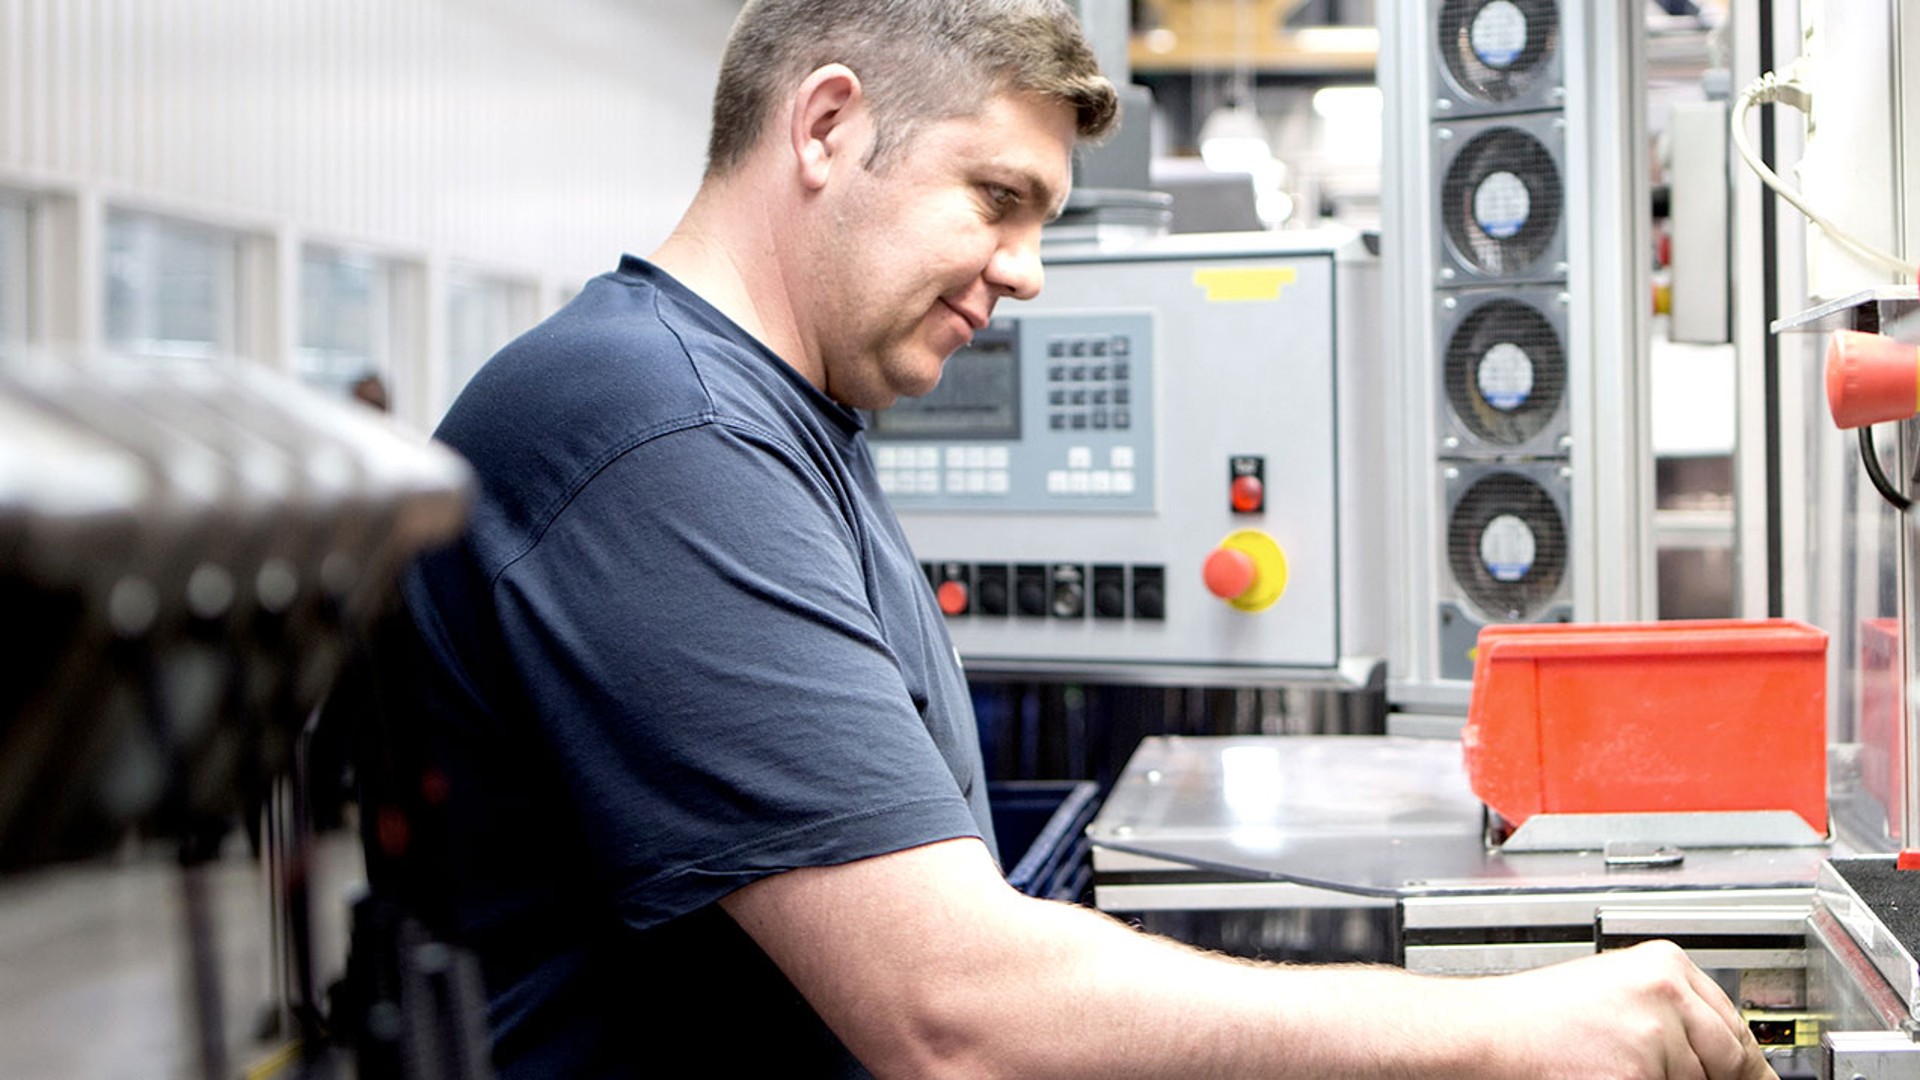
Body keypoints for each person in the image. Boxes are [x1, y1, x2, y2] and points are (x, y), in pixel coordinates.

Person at [391, 1, 1779, 1076]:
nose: (1029, 269)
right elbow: (952, 1009)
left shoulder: (775, 415)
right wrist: (1500, 1031)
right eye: (996, 199)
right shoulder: (657, 434)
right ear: (824, 128)